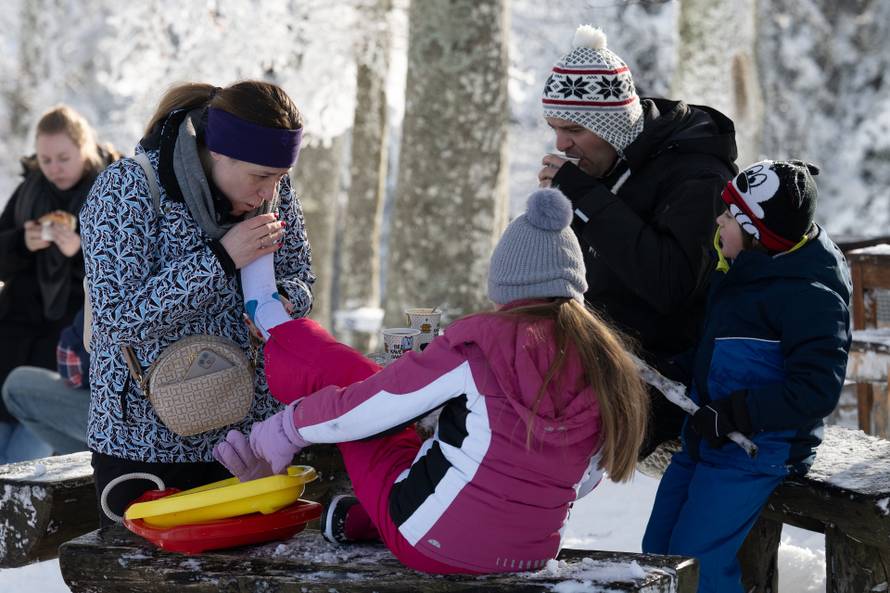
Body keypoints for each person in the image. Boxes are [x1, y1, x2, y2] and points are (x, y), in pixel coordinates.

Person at [215, 188, 650, 574]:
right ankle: (364, 518)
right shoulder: (605, 359)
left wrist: (287, 428)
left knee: (353, 379)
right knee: (436, 449)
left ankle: (271, 317)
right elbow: (584, 477)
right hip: (533, 553)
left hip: (431, 543)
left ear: (505, 282)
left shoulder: (481, 340)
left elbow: (369, 407)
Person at [79, 81, 315, 523]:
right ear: (216, 151)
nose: (269, 192)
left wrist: (282, 303)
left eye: (279, 177)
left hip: (247, 440)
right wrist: (222, 258)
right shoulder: (127, 189)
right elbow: (116, 319)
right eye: (260, 176)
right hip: (147, 443)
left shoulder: (274, 191)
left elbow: (301, 279)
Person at [641, 160, 852, 592]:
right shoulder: (740, 271)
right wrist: (670, 371)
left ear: (758, 233)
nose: (718, 219)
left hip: (757, 448)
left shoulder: (810, 296)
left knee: (696, 563)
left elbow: (816, 390)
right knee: (657, 555)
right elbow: (716, 352)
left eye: (730, 215)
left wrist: (737, 412)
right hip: (707, 435)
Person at [537, 25, 739, 456]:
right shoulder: (604, 168)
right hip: (592, 360)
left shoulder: (698, 175)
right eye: (554, 128)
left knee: (526, 435)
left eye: (573, 128)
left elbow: (671, 287)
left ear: (612, 124)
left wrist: (587, 199)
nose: (561, 144)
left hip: (665, 381)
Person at [0, 105, 117, 439]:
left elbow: (123, 270)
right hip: (14, 332)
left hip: (67, 341)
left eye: (63, 158)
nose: (54, 168)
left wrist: (78, 251)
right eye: (46, 159)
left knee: (33, 443)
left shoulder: (108, 191)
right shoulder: (29, 191)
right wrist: (21, 241)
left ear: (85, 148)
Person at [1, 308, 91, 462]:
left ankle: (97, 459)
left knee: (16, 387)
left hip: (119, 419)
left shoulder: (105, 289)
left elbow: (73, 371)